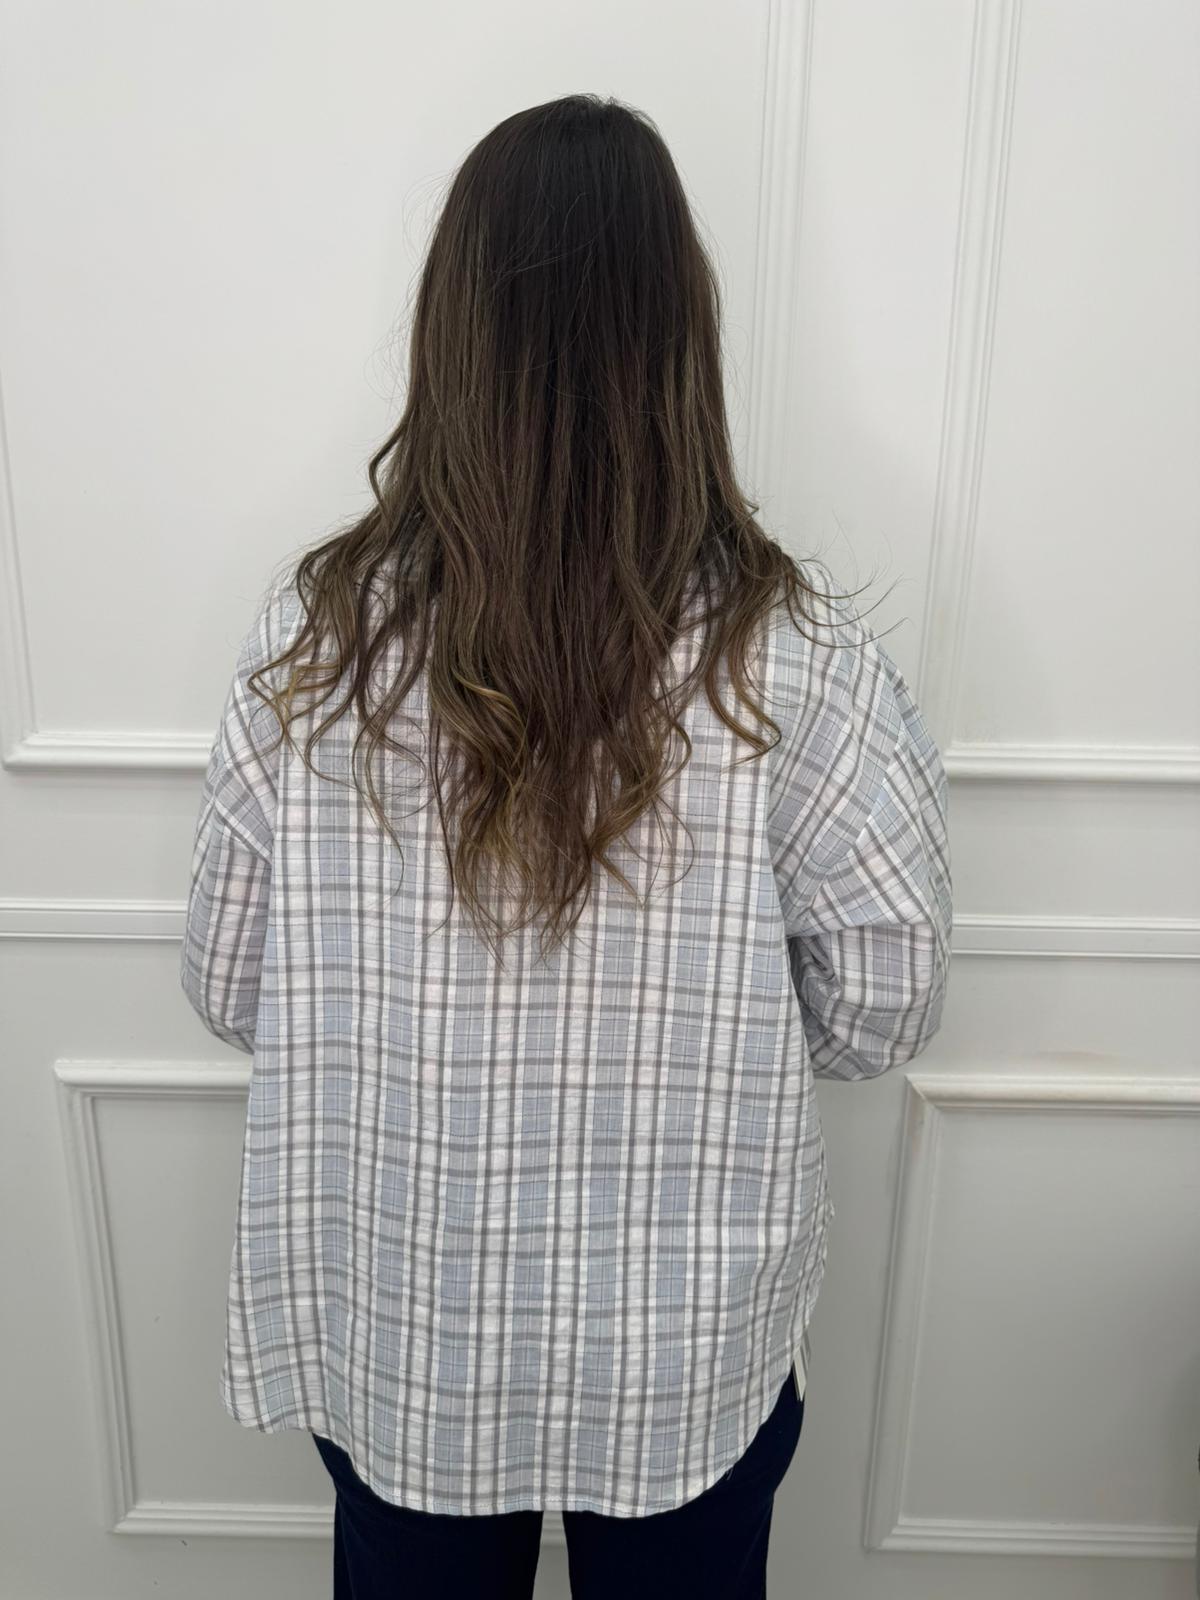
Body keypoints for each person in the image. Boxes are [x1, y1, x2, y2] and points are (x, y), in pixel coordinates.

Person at [181, 92, 953, 1600]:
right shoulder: (796, 664)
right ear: (682, 346)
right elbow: (886, 1005)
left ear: (451, 337)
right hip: (684, 1346)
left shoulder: (318, 646)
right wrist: (711, 1021)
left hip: (405, 1326)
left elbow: (226, 979)